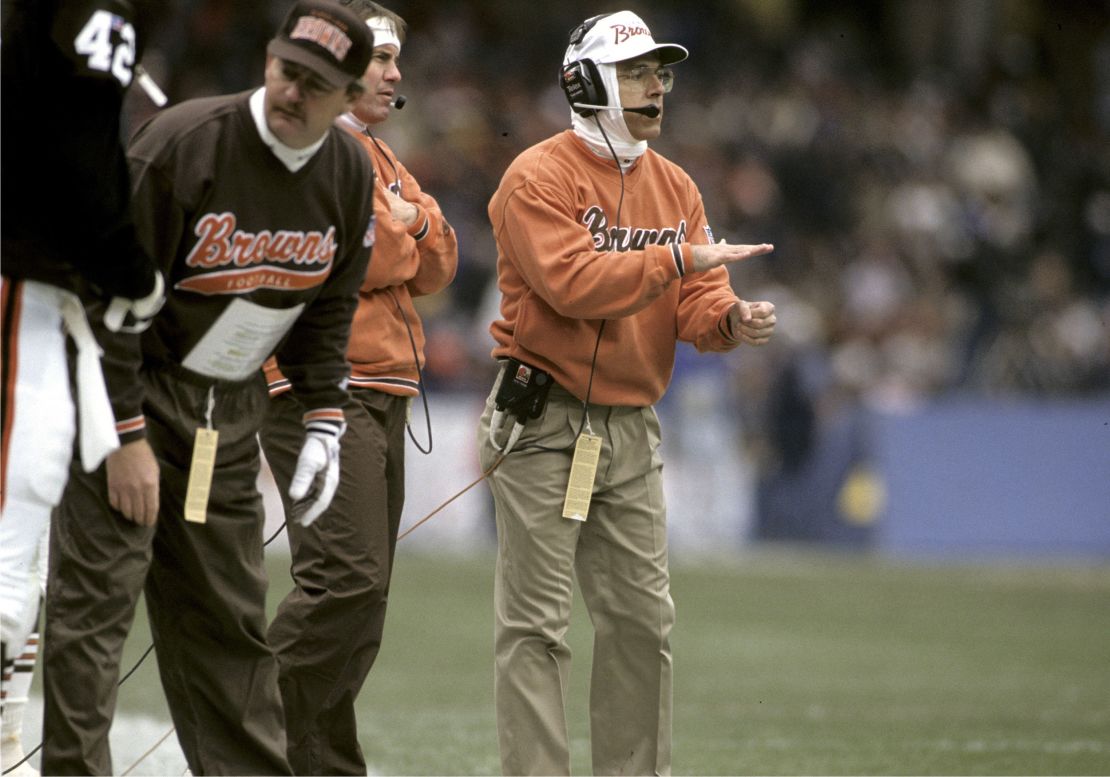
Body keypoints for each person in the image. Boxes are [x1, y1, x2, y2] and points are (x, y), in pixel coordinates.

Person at [39, 1, 377, 773]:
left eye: (318, 84)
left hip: (226, 416)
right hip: (129, 394)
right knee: (94, 621)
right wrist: (124, 436)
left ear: (350, 98)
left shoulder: (347, 172)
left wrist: (325, 412)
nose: (294, 93)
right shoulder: (184, 145)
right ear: (268, 59)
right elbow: (104, 304)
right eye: (288, 71)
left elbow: (328, 309)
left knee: (228, 627)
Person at [477, 10, 777, 775]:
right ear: (585, 82)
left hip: (632, 429)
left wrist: (732, 320)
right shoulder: (535, 177)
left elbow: (699, 301)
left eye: (661, 72)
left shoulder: (675, 184)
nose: (656, 85)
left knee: (643, 621)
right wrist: (676, 260)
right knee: (538, 627)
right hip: (542, 419)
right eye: (638, 71)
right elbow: (572, 285)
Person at [258, 1, 458, 773]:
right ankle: (236, 723)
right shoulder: (308, 148)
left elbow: (440, 261)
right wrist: (408, 226)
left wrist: (403, 226)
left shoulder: (378, 155)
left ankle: (321, 764)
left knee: (361, 604)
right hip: (321, 391)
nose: (395, 72)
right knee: (345, 581)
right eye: (379, 57)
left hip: (380, 392)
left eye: (396, 59)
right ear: (336, 66)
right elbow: (359, 259)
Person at [1, 2, 163, 773]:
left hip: (34, 288)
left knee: (23, 548)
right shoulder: (91, 9)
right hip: (20, 286)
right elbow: (82, 147)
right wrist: (129, 267)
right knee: (13, 539)